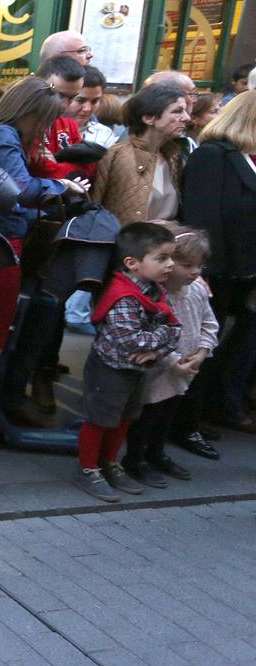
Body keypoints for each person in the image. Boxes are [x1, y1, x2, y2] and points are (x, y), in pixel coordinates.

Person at [0, 78, 81, 450]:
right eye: (46, 122)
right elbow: (18, 189)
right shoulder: (2, 136)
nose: (47, 131)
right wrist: (62, 188)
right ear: (31, 113)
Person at [74, 222, 181, 502]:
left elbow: (175, 330)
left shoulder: (153, 290)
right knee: (99, 419)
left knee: (126, 417)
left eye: (171, 257)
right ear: (132, 263)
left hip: (138, 368)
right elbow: (132, 341)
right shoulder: (123, 296)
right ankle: (87, 468)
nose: (170, 264)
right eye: (162, 258)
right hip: (110, 369)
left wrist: (157, 349)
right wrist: (164, 336)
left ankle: (110, 462)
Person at [181, 90, 256, 435]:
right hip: (218, 270)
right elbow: (205, 217)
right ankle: (188, 422)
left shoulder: (246, 158)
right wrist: (207, 269)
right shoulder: (214, 156)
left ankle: (211, 408)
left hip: (243, 272)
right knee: (202, 343)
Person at [124, 222, 217, 486]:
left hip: (185, 369)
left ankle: (156, 453)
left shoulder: (197, 289)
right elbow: (152, 335)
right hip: (160, 369)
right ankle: (135, 458)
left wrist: (202, 351)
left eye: (199, 266)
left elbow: (209, 323)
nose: (196, 272)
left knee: (168, 413)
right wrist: (174, 362)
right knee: (148, 413)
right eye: (188, 265)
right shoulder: (156, 295)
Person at [92, 84, 188, 225]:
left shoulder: (174, 155)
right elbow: (96, 205)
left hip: (168, 240)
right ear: (149, 118)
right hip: (128, 242)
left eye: (184, 111)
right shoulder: (117, 155)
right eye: (177, 111)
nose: (186, 117)